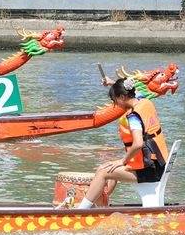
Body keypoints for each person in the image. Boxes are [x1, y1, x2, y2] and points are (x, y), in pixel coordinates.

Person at [65, 78, 169, 209]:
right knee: (110, 167)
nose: (116, 104)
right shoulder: (144, 101)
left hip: (150, 170)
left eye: (115, 101)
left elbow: (138, 143)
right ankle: (102, 205)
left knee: (103, 171)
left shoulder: (134, 117)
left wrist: (123, 161)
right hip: (158, 163)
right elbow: (131, 91)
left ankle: (80, 211)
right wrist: (112, 83)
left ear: (122, 97)